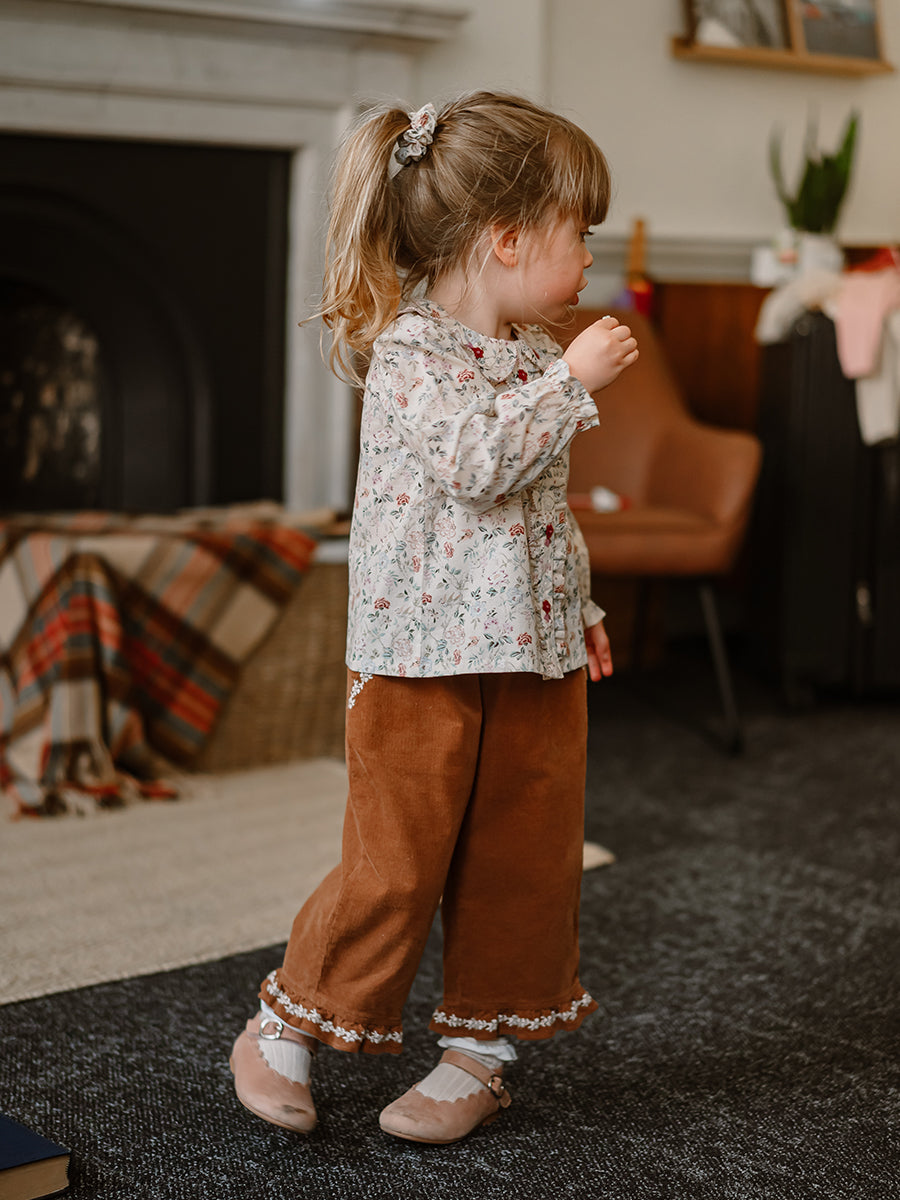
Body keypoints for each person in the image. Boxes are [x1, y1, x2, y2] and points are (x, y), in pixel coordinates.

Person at [229, 90, 638, 1146]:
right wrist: (574, 384)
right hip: (422, 653)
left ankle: (479, 1054)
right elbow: (475, 465)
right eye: (578, 232)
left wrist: (582, 602)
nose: (589, 255)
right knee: (396, 859)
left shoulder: (534, 356)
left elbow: (540, 509)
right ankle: (287, 1022)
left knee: (524, 858)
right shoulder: (412, 353)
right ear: (507, 239)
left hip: (532, 650)